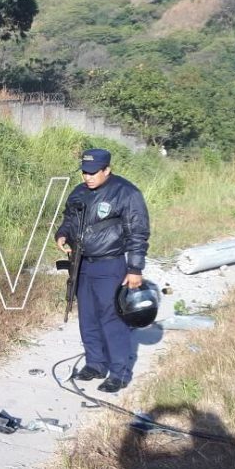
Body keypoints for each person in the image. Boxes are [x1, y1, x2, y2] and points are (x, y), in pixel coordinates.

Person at [55, 148, 150, 393]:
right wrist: (62, 234)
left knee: (112, 318)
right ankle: (95, 364)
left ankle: (119, 373)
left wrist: (135, 268)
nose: (87, 177)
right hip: (81, 264)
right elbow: (69, 219)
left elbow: (138, 233)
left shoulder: (126, 193)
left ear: (107, 169)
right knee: (87, 316)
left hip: (110, 265)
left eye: (93, 172)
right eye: (84, 172)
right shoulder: (79, 192)